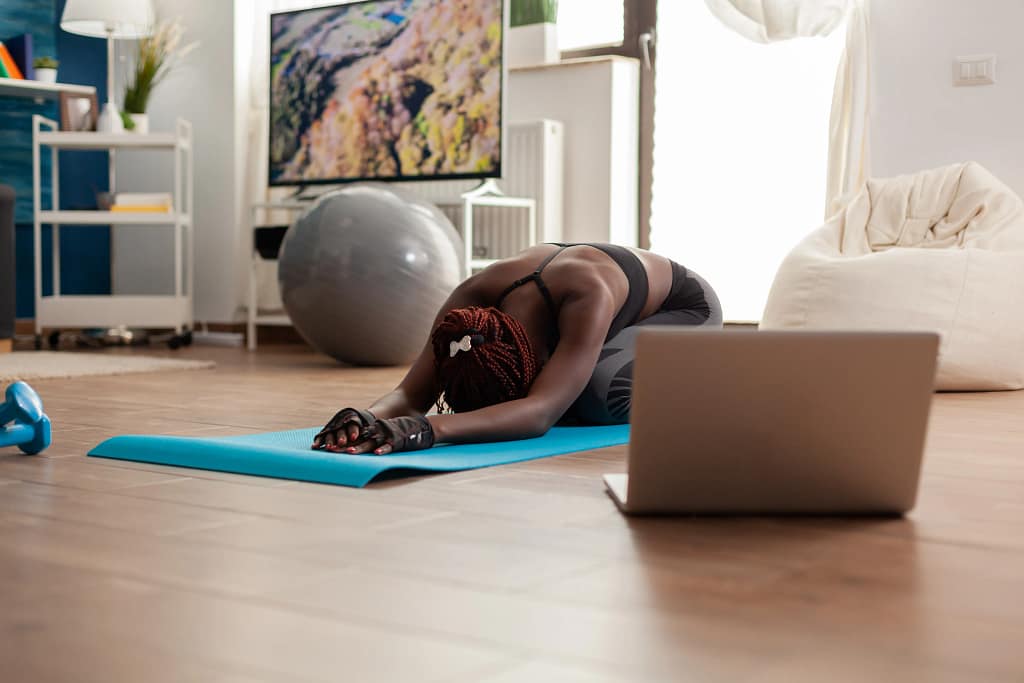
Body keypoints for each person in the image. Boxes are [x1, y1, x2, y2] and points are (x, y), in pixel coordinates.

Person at [312, 242, 722, 455]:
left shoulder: (586, 294)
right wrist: (365, 416)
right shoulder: (467, 302)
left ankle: (699, 380)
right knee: (565, 391)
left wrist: (426, 430)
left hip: (684, 310)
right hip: (596, 313)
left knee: (597, 397)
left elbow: (539, 413)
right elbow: (409, 394)